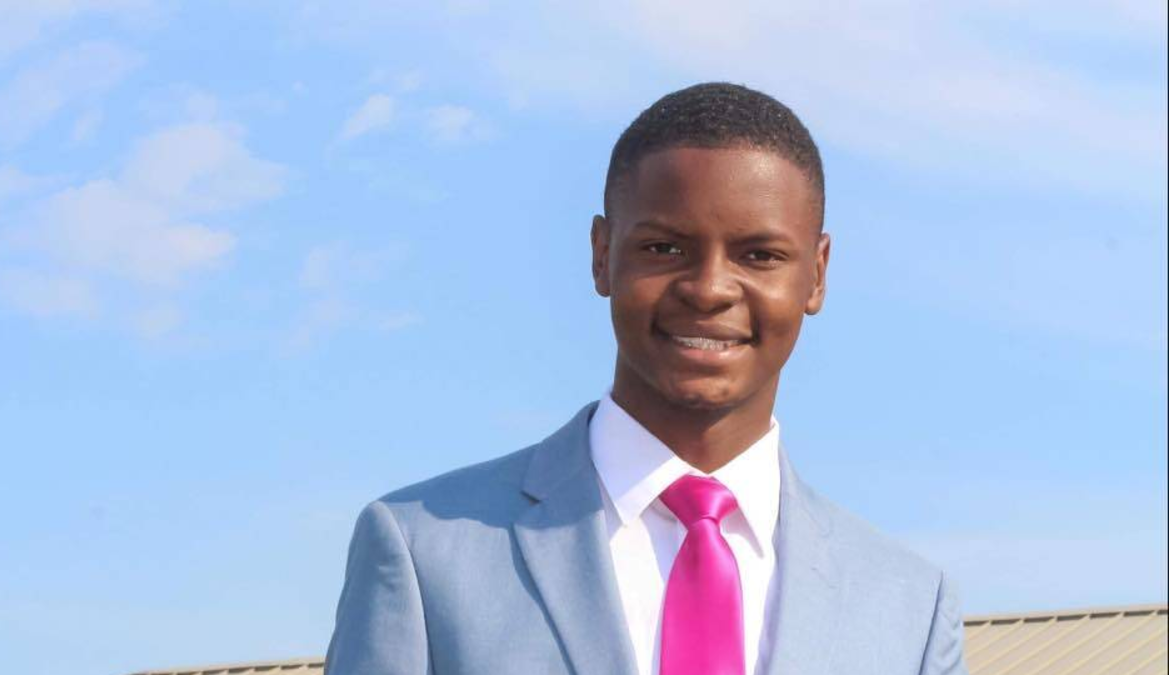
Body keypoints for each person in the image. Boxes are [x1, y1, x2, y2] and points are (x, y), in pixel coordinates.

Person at [324, 82, 968, 675]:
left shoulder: (910, 609)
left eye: (759, 255)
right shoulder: (424, 552)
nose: (709, 289)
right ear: (602, 255)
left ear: (817, 275)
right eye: (665, 248)